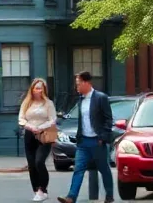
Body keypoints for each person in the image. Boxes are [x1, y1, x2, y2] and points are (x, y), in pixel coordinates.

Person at [56, 71, 115, 203]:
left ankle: (109, 196)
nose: (76, 87)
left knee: (104, 169)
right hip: (83, 142)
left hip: (97, 141)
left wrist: (102, 137)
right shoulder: (81, 100)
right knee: (78, 169)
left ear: (86, 83)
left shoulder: (100, 98)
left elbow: (108, 119)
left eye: (78, 84)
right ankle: (71, 197)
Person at [18, 77, 58, 202]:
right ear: (33, 89)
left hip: (44, 135)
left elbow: (53, 119)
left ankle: (43, 190)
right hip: (30, 134)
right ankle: (36, 190)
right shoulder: (27, 102)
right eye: (37, 88)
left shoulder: (48, 103)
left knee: (39, 161)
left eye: (41, 88)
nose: (39, 90)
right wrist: (30, 127)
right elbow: (21, 118)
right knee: (31, 164)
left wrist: (40, 127)